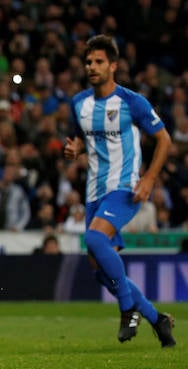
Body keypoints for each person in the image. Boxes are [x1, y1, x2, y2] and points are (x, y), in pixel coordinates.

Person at [63, 34, 175, 348]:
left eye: (98, 61)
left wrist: (150, 178)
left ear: (113, 65)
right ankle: (158, 319)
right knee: (101, 271)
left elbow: (165, 140)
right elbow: (82, 141)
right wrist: (75, 150)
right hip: (94, 191)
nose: (92, 67)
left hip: (125, 187)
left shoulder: (131, 101)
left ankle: (127, 311)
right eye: (88, 62)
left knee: (96, 239)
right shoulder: (79, 104)